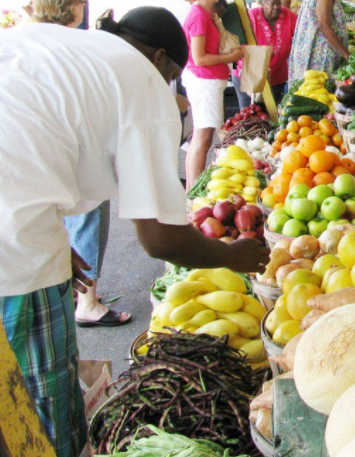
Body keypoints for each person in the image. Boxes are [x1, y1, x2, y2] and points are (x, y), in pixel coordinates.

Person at [0, 8, 270, 457]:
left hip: (16, 221)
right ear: (161, 58)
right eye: (172, 75)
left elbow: (27, 140)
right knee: (40, 402)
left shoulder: (54, 43)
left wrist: (46, 231)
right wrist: (233, 257)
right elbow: (159, 239)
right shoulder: (141, 80)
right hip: (13, 247)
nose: (170, 86)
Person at [31, 0, 132, 328]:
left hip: (38, 153)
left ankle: (70, 291)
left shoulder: (27, 41)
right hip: (74, 150)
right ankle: (88, 302)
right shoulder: (75, 46)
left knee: (57, 223)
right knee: (89, 217)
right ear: (75, 7)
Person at [182, 0, 244, 189]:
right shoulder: (199, 15)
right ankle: (193, 193)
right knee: (203, 139)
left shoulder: (205, 13)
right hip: (205, 83)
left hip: (207, 82)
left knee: (200, 138)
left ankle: (190, 192)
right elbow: (199, 58)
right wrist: (230, 58)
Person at [232, 0, 297, 109]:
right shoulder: (250, 17)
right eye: (272, 4)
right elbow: (237, 44)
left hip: (276, 75)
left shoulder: (289, 16)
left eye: (278, 3)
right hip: (250, 74)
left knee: (273, 113)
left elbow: (300, 37)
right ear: (261, 3)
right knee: (250, 112)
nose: (276, 7)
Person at [288, 0, 350, 81]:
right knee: (318, 84)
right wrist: (346, 55)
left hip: (308, 50)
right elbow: (324, 26)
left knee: (307, 85)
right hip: (320, 54)